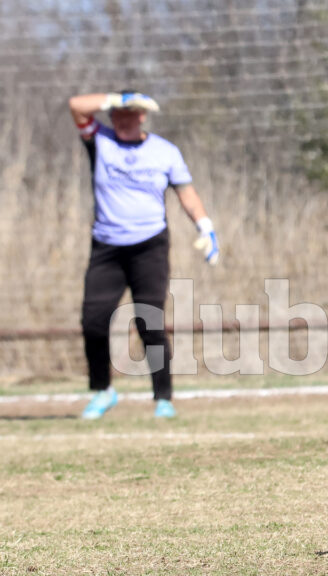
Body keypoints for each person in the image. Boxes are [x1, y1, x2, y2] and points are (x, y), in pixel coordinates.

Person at [69, 90, 220, 419]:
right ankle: (102, 391)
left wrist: (204, 225)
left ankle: (162, 398)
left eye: (130, 114)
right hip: (107, 246)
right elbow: (77, 106)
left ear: (142, 117)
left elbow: (185, 191)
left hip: (149, 245)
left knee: (149, 321)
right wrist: (115, 98)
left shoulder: (165, 151)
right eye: (118, 114)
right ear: (111, 116)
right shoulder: (100, 142)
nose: (123, 120)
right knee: (93, 321)